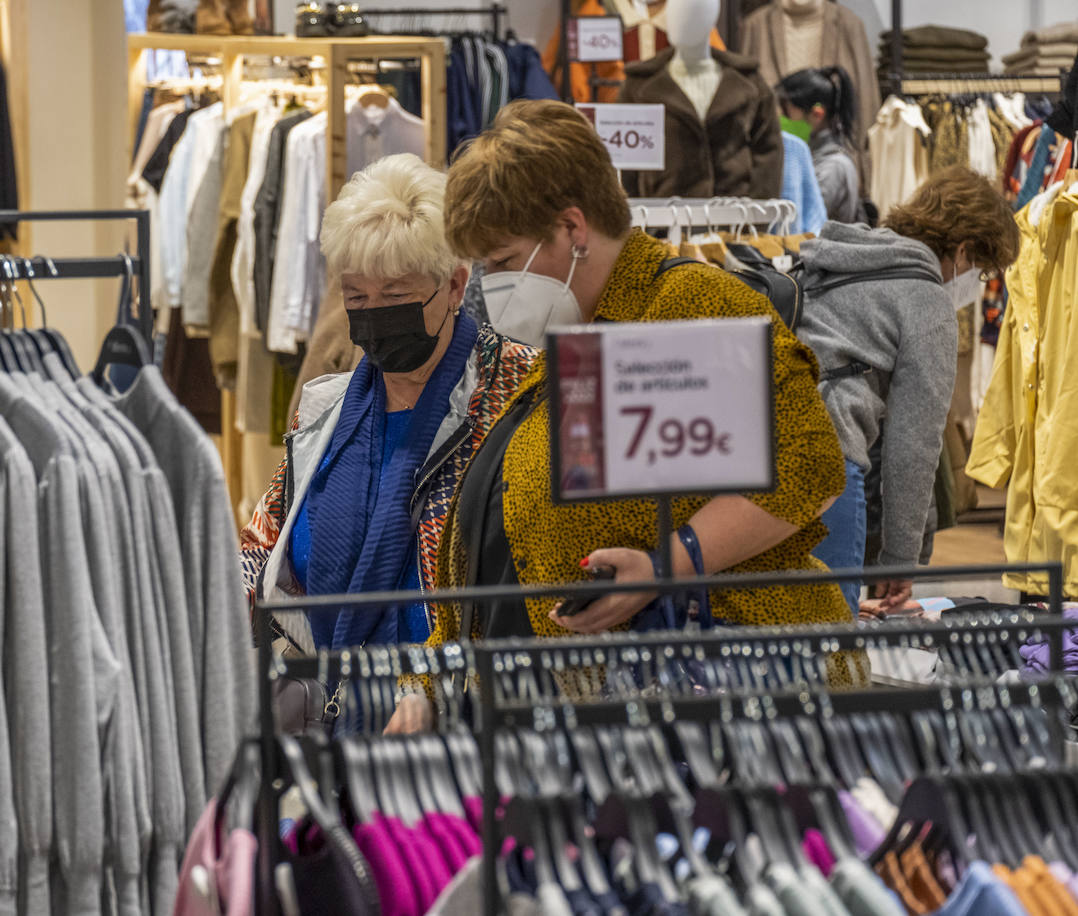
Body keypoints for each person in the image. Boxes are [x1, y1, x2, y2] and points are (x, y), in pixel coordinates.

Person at [389, 99, 856, 733]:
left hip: (716, 703)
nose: (491, 284)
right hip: (584, 712)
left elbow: (809, 468)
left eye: (501, 261)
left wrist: (669, 563)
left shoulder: (686, 302)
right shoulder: (570, 345)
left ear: (572, 229)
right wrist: (430, 685)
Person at [239, 153, 537, 659]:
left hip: (467, 704)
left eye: (395, 296)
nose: (374, 316)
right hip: (332, 705)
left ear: (455, 287)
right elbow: (264, 542)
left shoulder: (519, 392)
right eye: (356, 298)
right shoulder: (324, 411)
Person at [799, 166, 1019, 614]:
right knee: (826, 656)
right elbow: (913, 448)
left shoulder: (830, 258)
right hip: (827, 469)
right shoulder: (925, 301)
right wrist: (899, 562)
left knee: (766, 645)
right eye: (977, 270)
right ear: (961, 250)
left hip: (753, 470)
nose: (970, 282)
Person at [776, 67, 867, 224]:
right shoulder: (812, 157)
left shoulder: (832, 167)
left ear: (817, 114)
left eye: (786, 110)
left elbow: (802, 224)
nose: (781, 118)